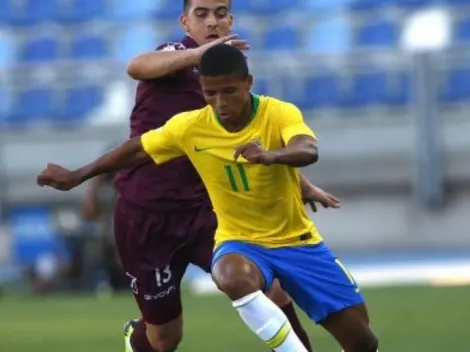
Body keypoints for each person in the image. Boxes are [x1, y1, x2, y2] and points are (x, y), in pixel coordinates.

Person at [37, 44, 377, 352]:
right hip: (240, 242)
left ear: (248, 83)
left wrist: (271, 157)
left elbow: (308, 148)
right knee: (229, 276)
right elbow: (136, 149)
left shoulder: (279, 113)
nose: (219, 103)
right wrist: (76, 176)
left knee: (362, 341)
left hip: (298, 243)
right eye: (210, 93)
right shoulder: (191, 126)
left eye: (229, 91)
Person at [112, 0, 336, 351]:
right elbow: (136, 65)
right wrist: (199, 54)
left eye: (220, 13)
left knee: (272, 290)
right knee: (165, 338)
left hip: (207, 211)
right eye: (201, 14)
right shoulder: (173, 56)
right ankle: (136, 338)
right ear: (185, 22)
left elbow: (250, 144)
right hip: (148, 215)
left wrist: (301, 184)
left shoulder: (229, 76)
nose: (212, 21)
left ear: (231, 19)